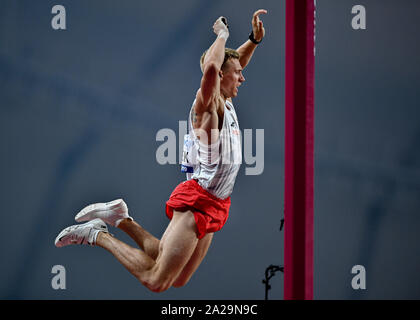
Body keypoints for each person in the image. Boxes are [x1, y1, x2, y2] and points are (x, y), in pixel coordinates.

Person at [55, 9, 267, 293]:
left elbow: (231, 65)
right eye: (237, 74)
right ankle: (96, 235)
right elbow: (215, 69)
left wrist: (253, 40)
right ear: (221, 77)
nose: (243, 77)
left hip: (218, 202)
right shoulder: (208, 106)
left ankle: (121, 218)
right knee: (157, 280)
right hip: (198, 201)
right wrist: (222, 34)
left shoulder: (225, 99)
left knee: (177, 276)